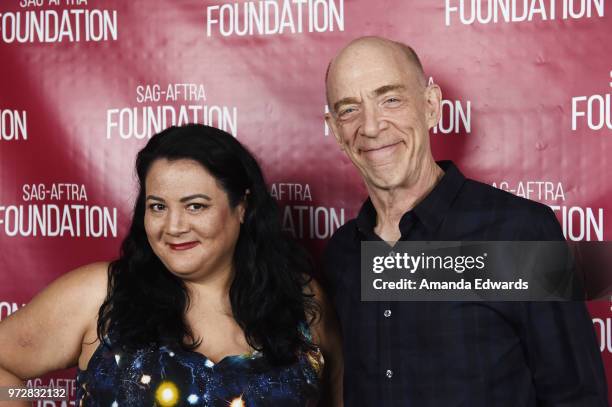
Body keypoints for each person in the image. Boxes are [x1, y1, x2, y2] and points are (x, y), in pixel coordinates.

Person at [323, 36, 607, 406]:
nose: (372, 126)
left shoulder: (519, 234)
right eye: (349, 110)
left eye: (390, 99)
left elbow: (577, 397)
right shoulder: (342, 254)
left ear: (430, 106)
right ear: (335, 130)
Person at [0, 124, 343, 406]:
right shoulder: (101, 294)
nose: (173, 226)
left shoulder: (301, 299)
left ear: (243, 207)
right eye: (158, 207)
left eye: (195, 206)